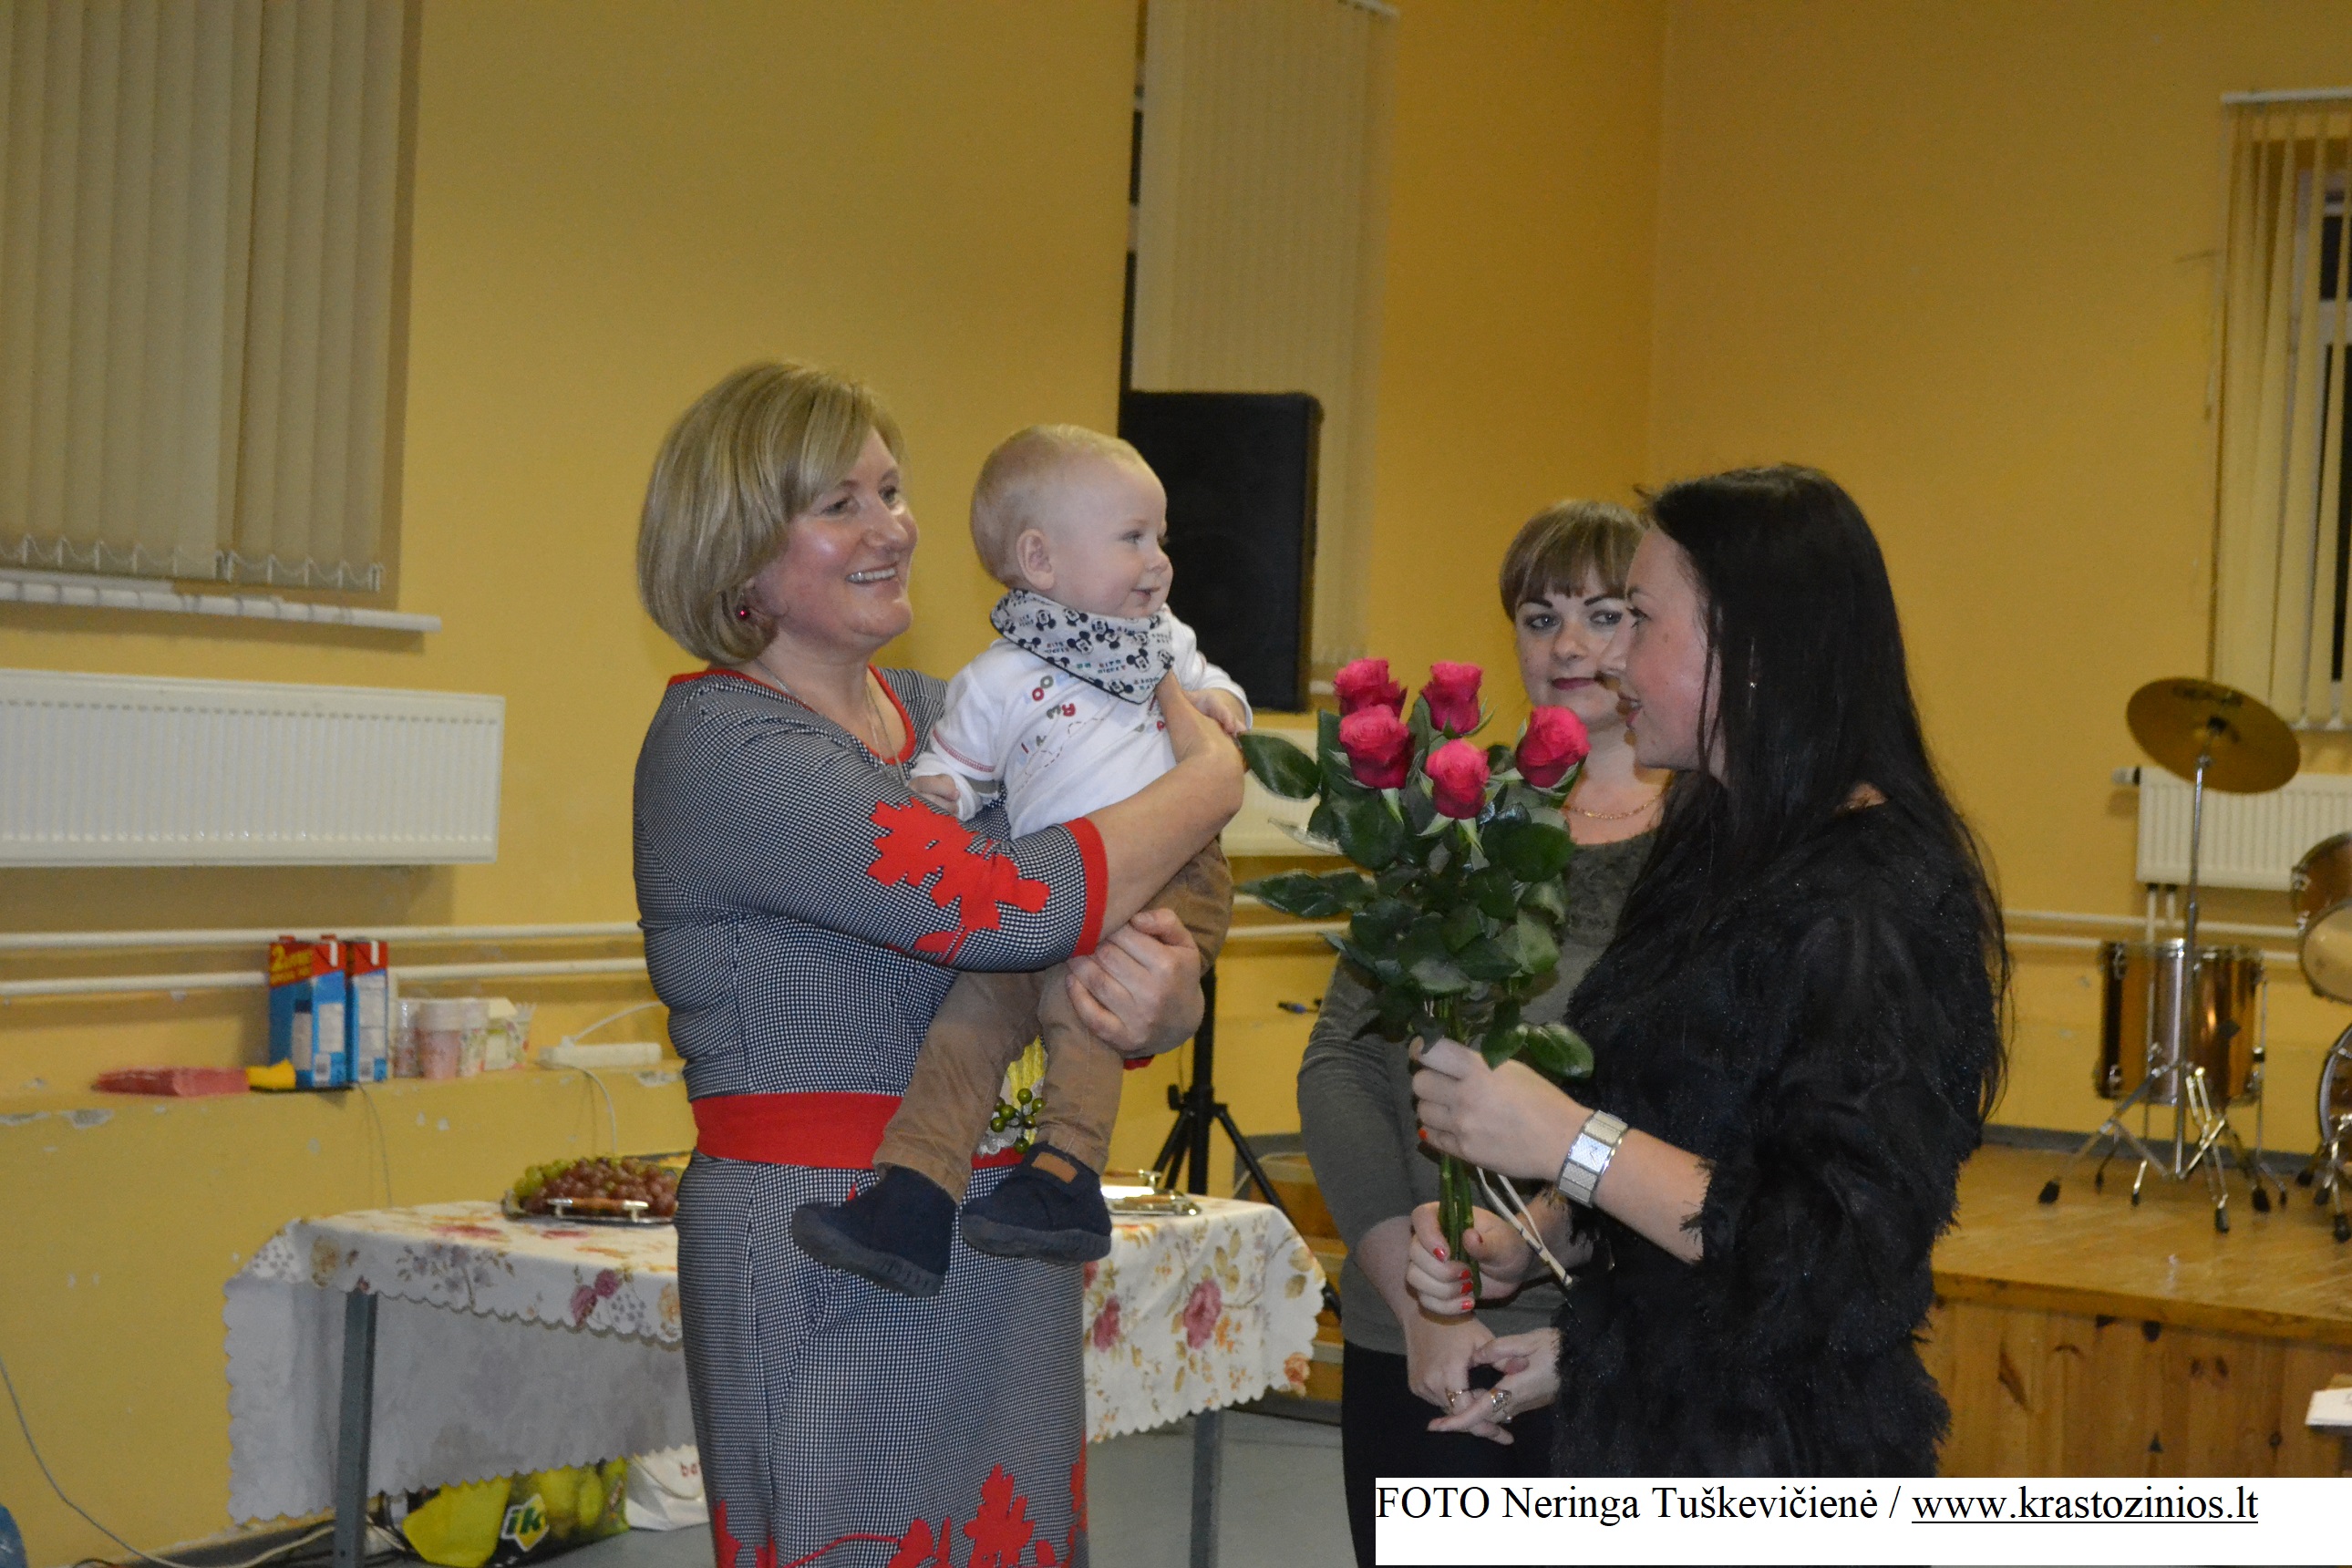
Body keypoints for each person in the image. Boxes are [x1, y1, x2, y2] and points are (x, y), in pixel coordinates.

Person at [633, 363, 1242, 1564]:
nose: (893, 527)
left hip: (1000, 1225)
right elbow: (1005, 910)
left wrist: (1166, 999)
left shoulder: (942, 713)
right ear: (737, 552)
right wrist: (1214, 781)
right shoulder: (724, 742)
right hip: (823, 1235)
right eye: (840, 504)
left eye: (893, 490)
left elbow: (1091, 923)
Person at [1404, 465, 2006, 1475]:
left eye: (1638, 619)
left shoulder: (1878, 896)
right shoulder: (1712, 841)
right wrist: (1540, 1239)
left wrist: (1566, 1141)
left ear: (1751, 648)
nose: (1611, 658)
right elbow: (1687, 1137)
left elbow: (1829, 1259)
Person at [794, 424, 1249, 1292]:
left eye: (1160, 538)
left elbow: (1212, 687)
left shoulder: (1161, 639)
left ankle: (1066, 1174)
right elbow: (961, 768)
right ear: (1038, 559)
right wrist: (942, 793)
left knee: (1088, 999)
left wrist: (1221, 708)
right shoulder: (995, 678)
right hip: (1052, 886)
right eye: (1132, 538)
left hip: (1168, 873)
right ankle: (914, 1190)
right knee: (968, 1021)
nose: (1158, 562)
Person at [1298, 500, 1665, 1562]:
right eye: (1541, 618)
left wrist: (1543, 1237)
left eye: (1604, 614)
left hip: (1606, 1338)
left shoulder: (1708, 846)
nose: (1569, 645)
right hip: (1413, 1338)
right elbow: (1341, 1062)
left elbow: (1691, 1105)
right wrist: (1419, 1308)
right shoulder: (1453, 814)